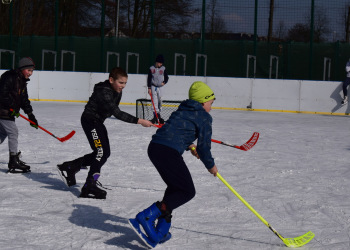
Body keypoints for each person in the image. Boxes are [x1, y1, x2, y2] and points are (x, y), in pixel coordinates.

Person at [129, 81, 218, 247]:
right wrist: (210, 166)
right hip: (168, 152)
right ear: (203, 101)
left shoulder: (183, 109)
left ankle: (161, 229)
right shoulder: (205, 118)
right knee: (187, 191)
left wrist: (190, 146)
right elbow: (204, 147)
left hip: (155, 148)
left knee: (175, 188)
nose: (211, 107)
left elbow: (175, 131)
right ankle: (146, 216)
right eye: (211, 103)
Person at [57, 67, 153, 199]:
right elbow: (117, 113)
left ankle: (70, 167)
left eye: (125, 83)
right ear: (111, 80)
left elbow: (114, 110)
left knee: (104, 153)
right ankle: (89, 185)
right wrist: (140, 121)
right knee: (100, 152)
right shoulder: (104, 91)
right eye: (120, 83)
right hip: (90, 120)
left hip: (98, 122)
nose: (123, 86)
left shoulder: (116, 90)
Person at [0, 57, 39, 173]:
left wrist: (30, 115)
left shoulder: (22, 81)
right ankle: (13, 161)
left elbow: (23, 100)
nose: (30, 73)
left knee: (2, 134)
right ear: (22, 68)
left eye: (32, 71)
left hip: (8, 111)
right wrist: (11, 106)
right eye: (28, 70)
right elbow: (2, 94)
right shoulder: (9, 77)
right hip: (2, 110)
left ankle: (14, 159)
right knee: (13, 132)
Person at [147, 54, 169, 124]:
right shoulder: (151, 68)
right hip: (153, 86)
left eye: (161, 63)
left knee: (160, 100)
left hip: (160, 87)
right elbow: (149, 78)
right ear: (156, 62)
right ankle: (155, 116)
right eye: (159, 62)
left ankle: (159, 115)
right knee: (154, 101)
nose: (160, 64)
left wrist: (164, 82)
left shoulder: (163, 68)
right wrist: (149, 88)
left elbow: (167, 77)